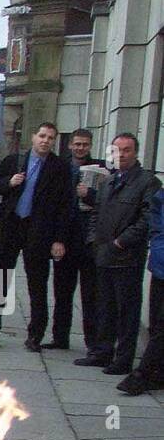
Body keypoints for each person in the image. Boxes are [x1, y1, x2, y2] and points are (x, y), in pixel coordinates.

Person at [0, 122, 73, 352]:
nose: (45, 141)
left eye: (50, 138)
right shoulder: (15, 161)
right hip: (10, 227)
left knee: (37, 285)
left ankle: (35, 335)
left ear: (54, 141)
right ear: (33, 137)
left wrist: (59, 239)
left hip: (39, 231)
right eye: (42, 136)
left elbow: (65, 206)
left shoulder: (59, 167)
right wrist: (8, 182)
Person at [74, 133, 161, 375]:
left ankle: (123, 360)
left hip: (127, 258)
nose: (121, 155)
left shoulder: (147, 182)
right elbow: (95, 213)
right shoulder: (109, 181)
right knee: (104, 308)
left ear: (136, 153)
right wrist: (94, 241)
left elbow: (147, 219)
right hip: (103, 255)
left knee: (127, 312)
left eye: (127, 150)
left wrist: (122, 242)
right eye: (117, 150)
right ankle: (102, 353)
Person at [49, 128, 105, 350]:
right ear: (70, 145)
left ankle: (92, 342)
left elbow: (107, 202)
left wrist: (89, 195)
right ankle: (59, 338)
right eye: (77, 144)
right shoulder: (60, 168)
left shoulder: (100, 169)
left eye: (85, 144)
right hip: (65, 238)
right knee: (62, 292)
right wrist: (56, 240)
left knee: (90, 296)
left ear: (90, 146)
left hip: (90, 241)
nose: (81, 148)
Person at [118, 185, 164, 395]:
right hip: (160, 265)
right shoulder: (161, 195)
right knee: (155, 322)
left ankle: (141, 374)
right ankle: (158, 374)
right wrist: (157, 243)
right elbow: (156, 218)